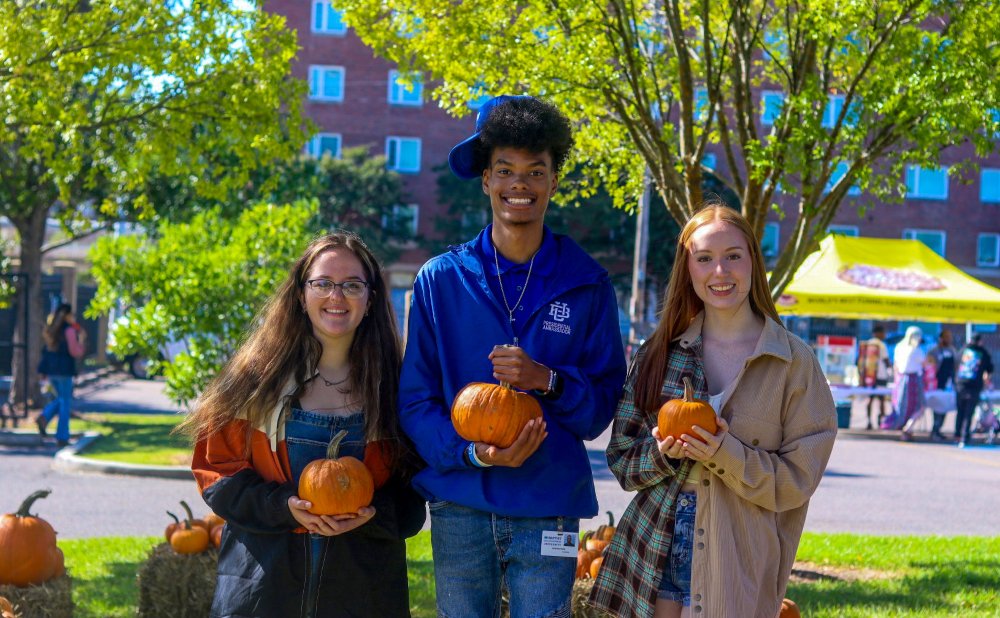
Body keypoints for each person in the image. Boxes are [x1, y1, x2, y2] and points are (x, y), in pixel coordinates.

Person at [399, 95, 627, 617]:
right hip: (460, 500)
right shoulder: (440, 280)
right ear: (485, 181)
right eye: (504, 169)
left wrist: (548, 380)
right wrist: (474, 453)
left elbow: (599, 409)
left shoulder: (587, 284)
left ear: (552, 181)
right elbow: (415, 401)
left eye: (535, 170)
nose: (518, 184)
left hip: (549, 506)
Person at [589, 204, 837, 618]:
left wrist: (723, 452)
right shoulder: (659, 355)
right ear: (688, 269)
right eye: (704, 258)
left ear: (752, 263)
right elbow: (621, 462)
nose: (719, 271)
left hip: (738, 547)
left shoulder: (792, 362)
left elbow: (797, 481)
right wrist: (664, 453)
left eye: (733, 256)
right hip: (655, 542)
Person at [182, 232, 425, 617]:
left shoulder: (396, 390)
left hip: (362, 595)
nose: (336, 296)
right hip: (262, 594)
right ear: (300, 294)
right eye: (323, 283)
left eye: (352, 285)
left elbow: (413, 502)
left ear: (370, 299)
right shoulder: (254, 381)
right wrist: (284, 507)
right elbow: (216, 476)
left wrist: (370, 513)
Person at [35, 303, 86, 448]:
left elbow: (47, 352)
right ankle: (62, 436)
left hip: (52, 371)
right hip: (64, 371)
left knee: (61, 399)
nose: (74, 318)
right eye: (72, 315)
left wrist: (43, 370)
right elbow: (75, 351)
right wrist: (81, 340)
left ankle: (45, 417)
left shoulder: (52, 331)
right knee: (65, 402)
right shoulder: (69, 331)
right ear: (67, 315)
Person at [882, 326, 926, 441]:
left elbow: (895, 366)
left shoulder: (899, 347)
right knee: (920, 406)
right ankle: (908, 428)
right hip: (913, 380)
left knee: (902, 407)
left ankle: (906, 429)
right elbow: (925, 364)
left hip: (900, 380)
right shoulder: (916, 350)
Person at [954, 333, 994, 447]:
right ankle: (964, 437)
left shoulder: (963, 350)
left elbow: (956, 364)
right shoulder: (983, 352)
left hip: (960, 385)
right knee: (968, 412)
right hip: (974, 386)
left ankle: (957, 435)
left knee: (960, 411)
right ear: (979, 341)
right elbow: (990, 368)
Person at [858, 324, 893, 430]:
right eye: (883, 332)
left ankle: (869, 421)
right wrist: (891, 370)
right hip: (881, 375)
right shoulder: (881, 345)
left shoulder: (867, 343)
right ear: (878, 333)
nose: (885, 335)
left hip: (869, 376)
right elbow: (886, 360)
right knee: (882, 399)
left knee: (870, 398)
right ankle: (881, 421)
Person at [926, 330, 958, 441]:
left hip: (949, 383)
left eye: (950, 337)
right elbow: (929, 365)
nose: (949, 339)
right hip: (937, 382)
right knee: (937, 406)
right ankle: (934, 429)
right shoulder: (934, 351)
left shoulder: (952, 350)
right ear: (941, 338)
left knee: (946, 406)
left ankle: (939, 429)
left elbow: (956, 365)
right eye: (946, 337)